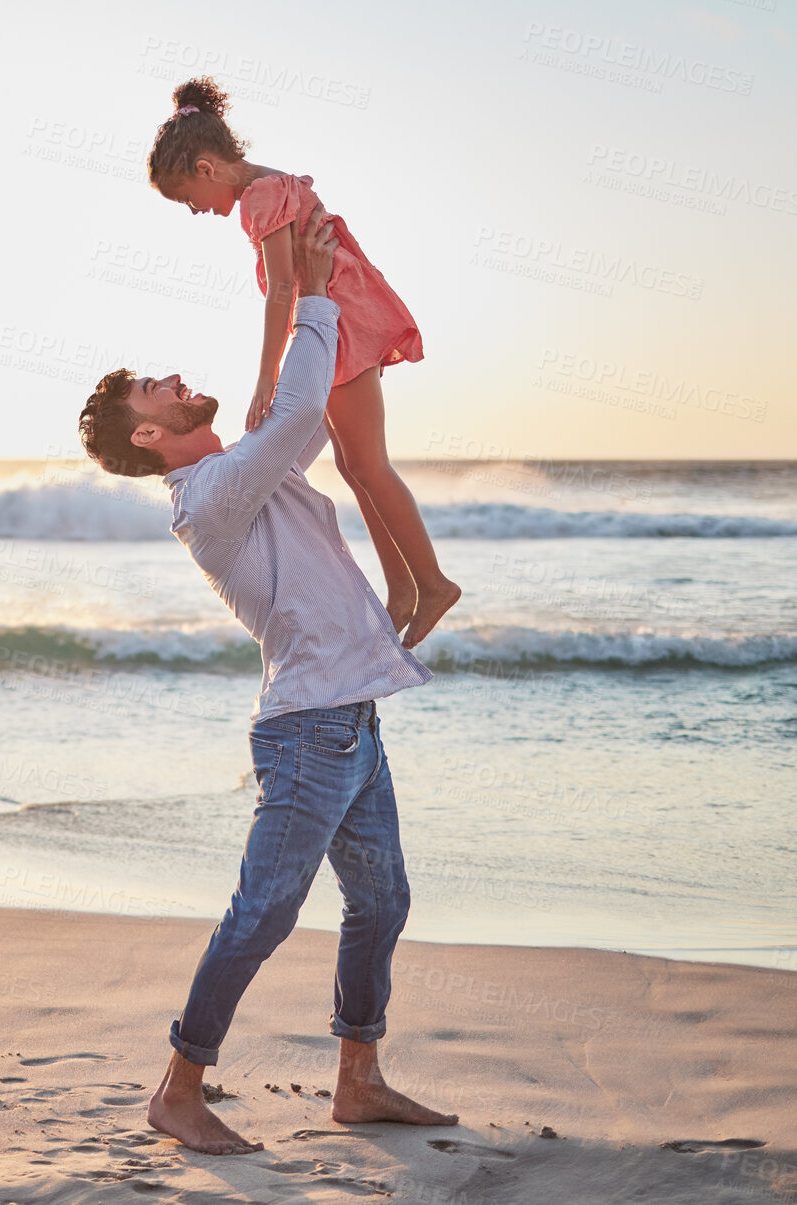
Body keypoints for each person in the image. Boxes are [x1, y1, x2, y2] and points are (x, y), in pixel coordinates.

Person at [75, 204, 459, 1155]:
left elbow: (302, 427)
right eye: (151, 392)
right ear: (153, 439)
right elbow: (295, 417)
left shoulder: (240, 471)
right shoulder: (207, 497)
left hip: (350, 723)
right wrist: (313, 298)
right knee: (265, 909)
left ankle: (358, 1079)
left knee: (383, 900)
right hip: (305, 734)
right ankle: (179, 1086)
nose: (170, 379)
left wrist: (300, 298)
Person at [145, 75, 460, 649]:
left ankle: (432, 583)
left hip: (339, 322)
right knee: (353, 463)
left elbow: (284, 289)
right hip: (341, 318)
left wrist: (267, 374)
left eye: (188, 198)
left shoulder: (260, 198)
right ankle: (403, 590)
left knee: (368, 464)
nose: (196, 210)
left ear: (206, 168)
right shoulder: (270, 185)